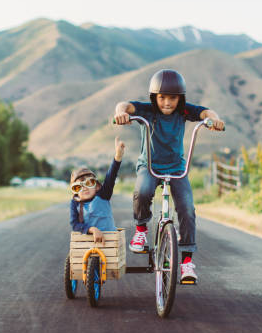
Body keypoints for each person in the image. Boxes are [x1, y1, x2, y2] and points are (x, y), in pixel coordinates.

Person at [113, 69, 224, 283]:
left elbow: (206, 112)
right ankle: (141, 230)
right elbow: (125, 105)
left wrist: (215, 120)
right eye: (162, 97)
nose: (166, 102)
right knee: (143, 191)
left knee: (187, 208)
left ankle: (186, 263)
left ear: (180, 99)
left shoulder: (183, 112)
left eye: (172, 98)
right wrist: (120, 113)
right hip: (150, 165)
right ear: (154, 97)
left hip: (176, 168)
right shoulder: (148, 110)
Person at [69, 137, 125, 244]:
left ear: (97, 186)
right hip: (87, 243)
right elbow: (75, 224)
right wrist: (92, 229)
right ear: (75, 191)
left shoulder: (103, 195)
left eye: (89, 183)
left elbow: (111, 176)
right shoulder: (75, 203)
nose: (84, 188)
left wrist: (117, 157)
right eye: (78, 187)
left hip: (109, 241)